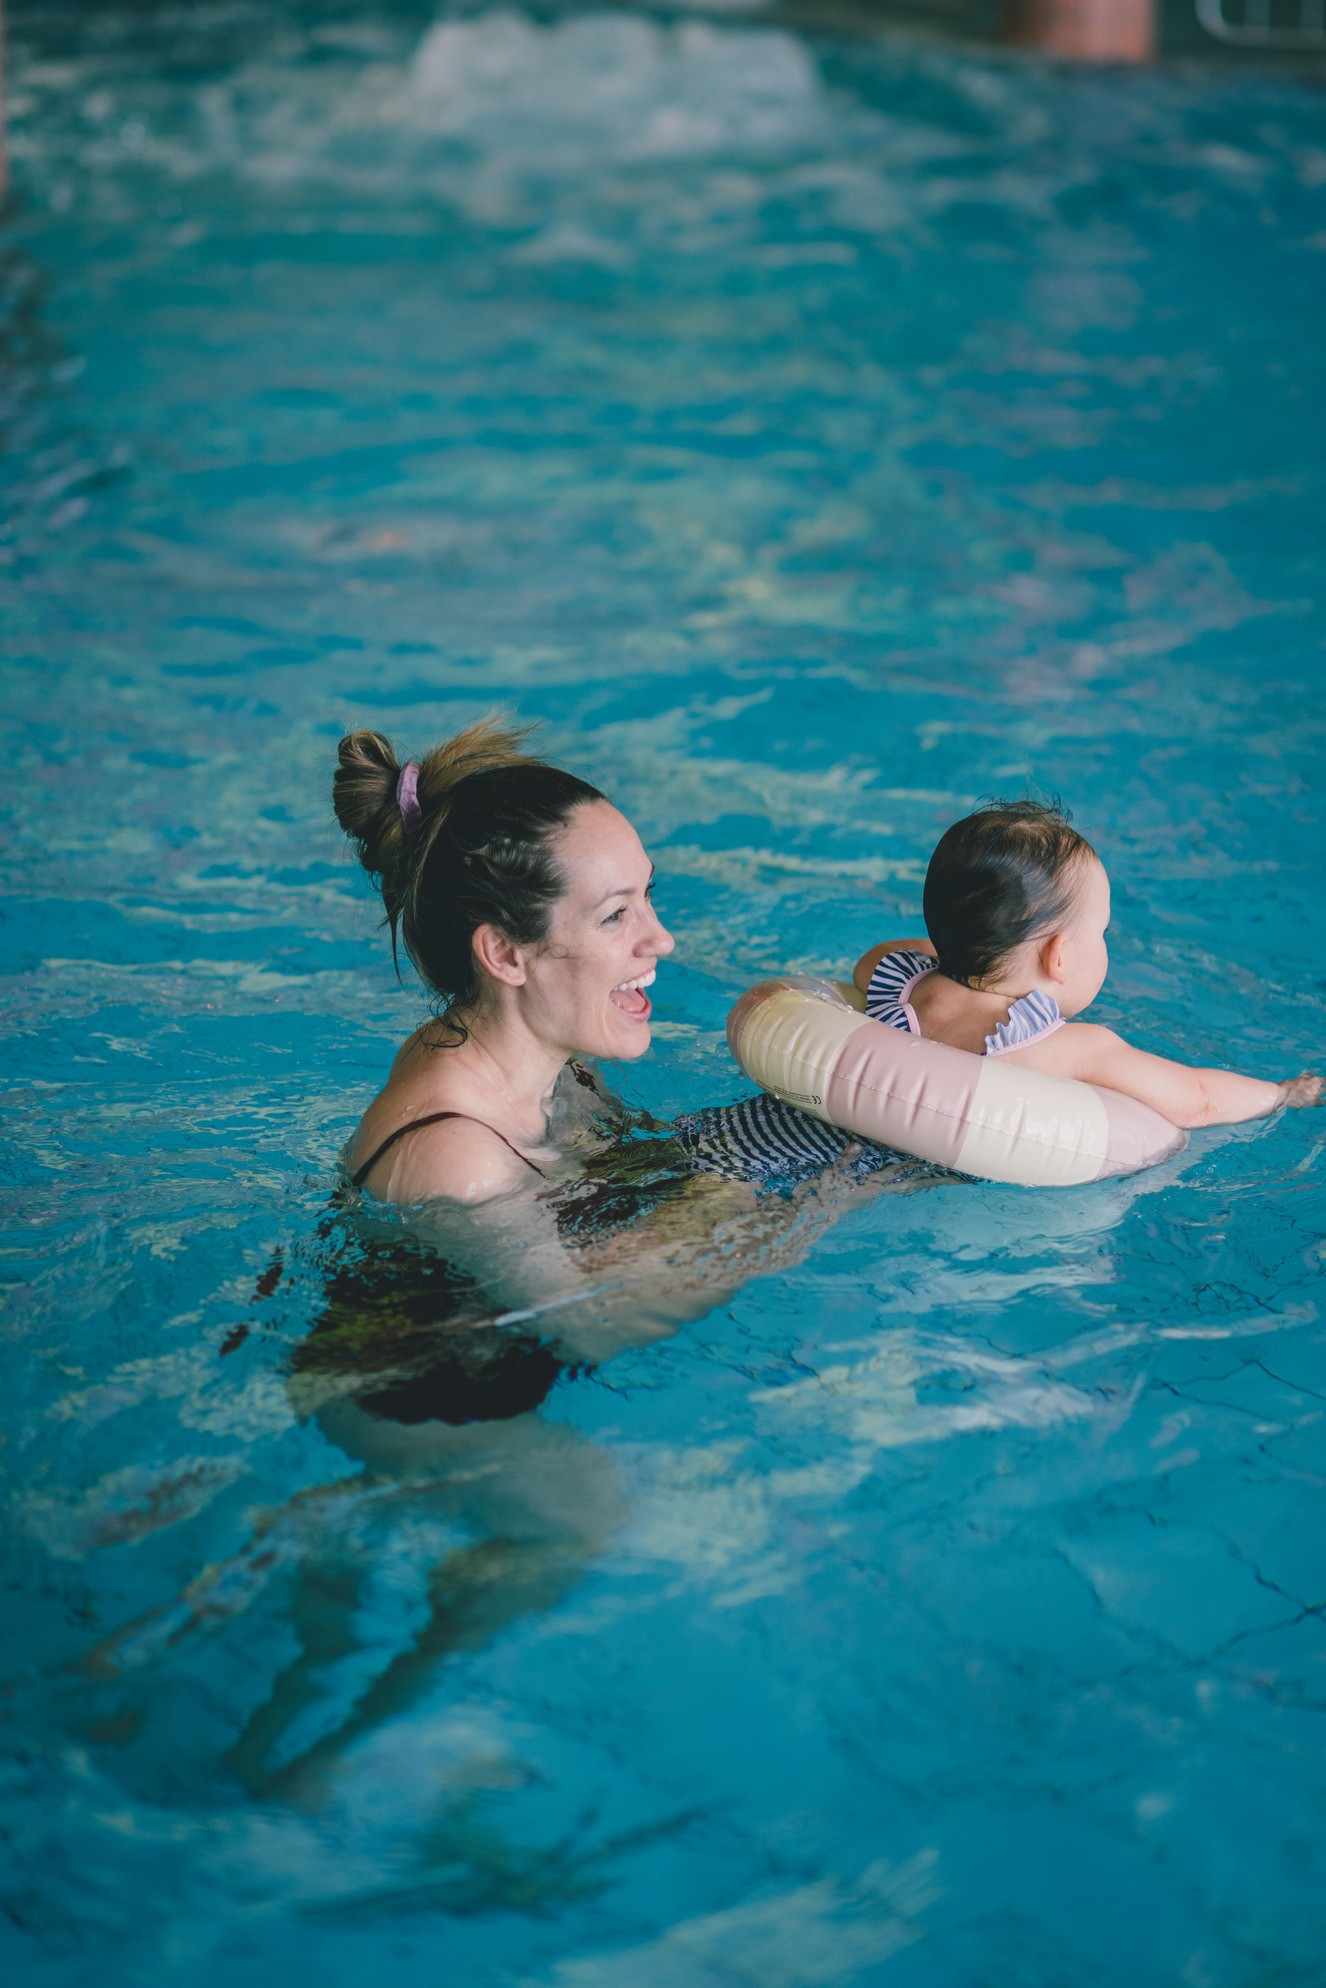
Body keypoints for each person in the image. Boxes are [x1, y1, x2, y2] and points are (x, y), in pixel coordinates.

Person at [334, 714, 674, 1205]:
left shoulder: (542, 1061)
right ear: (505, 955)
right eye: (616, 914)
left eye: (648, 893)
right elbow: (609, 1285)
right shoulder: (460, 1162)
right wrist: (816, 1184)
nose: (661, 940)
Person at [853, 799, 1320, 1129]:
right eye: (1101, 933)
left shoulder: (897, 976)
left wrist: (956, 951)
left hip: (807, 1136)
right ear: (1060, 958)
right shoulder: (1071, 1051)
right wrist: (1280, 1093)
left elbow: (886, 955)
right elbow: (1197, 1100)